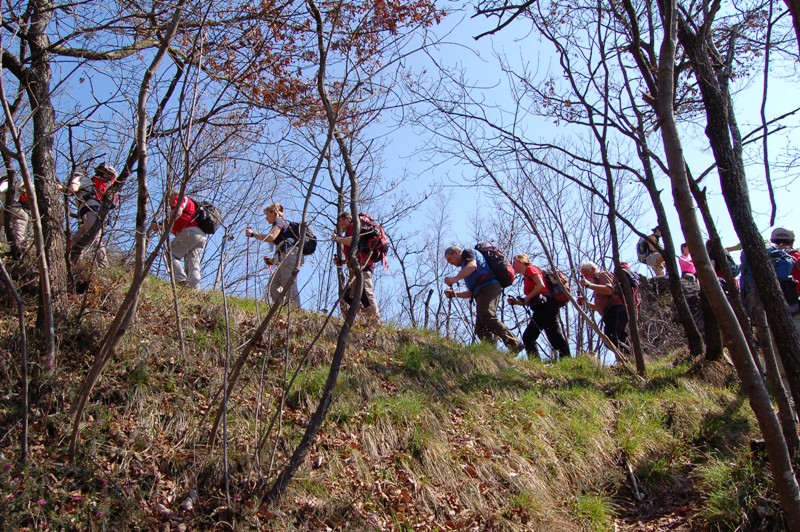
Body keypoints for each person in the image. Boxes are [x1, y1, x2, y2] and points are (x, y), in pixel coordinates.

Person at [443, 245, 524, 354]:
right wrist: (455, 294)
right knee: (480, 329)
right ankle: (492, 354)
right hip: (481, 291)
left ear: (457, 252)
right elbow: (472, 292)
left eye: (449, 259)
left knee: (487, 315)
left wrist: (453, 279)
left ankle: (515, 344)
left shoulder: (468, 253)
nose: (449, 262)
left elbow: (472, 266)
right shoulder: (464, 269)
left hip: (490, 286)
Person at [506, 254, 570, 360]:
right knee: (552, 335)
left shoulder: (531, 269)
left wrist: (526, 299)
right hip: (542, 306)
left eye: (514, 262)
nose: (513, 265)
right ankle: (566, 359)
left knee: (530, 337)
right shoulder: (526, 276)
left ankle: (537, 362)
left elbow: (541, 285)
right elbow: (532, 298)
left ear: (521, 261)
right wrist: (516, 302)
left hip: (546, 305)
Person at [57, 163, 118, 268]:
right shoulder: (92, 183)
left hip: (92, 211)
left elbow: (71, 190)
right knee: (76, 239)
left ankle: (104, 266)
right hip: (95, 212)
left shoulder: (81, 179)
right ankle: (75, 264)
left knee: (95, 237)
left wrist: (59, 187)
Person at [245, 202, 302, 307]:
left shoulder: (278, 221)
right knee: (274, 284)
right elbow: (282, 246)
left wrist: (253, 234)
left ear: (274, 213)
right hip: (286, 257)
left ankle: (295, 310)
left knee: (289, 284)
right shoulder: (282, 224)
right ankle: (280, 308)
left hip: (289, 255)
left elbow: (271, 237)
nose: (266, 218)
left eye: (267, 215)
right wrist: (272, 261)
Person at [331, 211, 381, 326]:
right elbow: (353, 251)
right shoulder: (349, 231)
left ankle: (376, 322)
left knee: (366, 292)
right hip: (355, 268)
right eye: (339, 221)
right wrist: (342, 261)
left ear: (350, 220)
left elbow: (354, 241)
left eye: (344, 219)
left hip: (363, 265)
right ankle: (368, 319)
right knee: (349, 295)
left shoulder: (354, 227)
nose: (341, 222)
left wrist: (338, 238)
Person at [151, 190, 208, 289]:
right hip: (200, 236)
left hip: (190, 232)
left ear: (172, 195)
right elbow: (173, 222)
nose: (168, 203)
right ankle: (193, 289)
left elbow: (177, 212)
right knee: (193, 263)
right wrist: (160, 226)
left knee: (170, 254)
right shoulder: (191, 206)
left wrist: (162, 224)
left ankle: (181, 281)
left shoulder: (180, 198)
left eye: (167, 199)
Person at [578, 261, 628, 350]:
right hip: (610, 312)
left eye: (586, 274)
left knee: (610, 339)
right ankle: (631, 358)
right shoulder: (597, 283)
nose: (585, 277)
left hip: (616, 310)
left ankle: (630, 354)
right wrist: (586, 303)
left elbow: (609, 290)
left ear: (593, 269)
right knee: (620, 339)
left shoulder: (602, 274)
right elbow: (599, 307)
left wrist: (588, 285)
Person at [1, 175, 30, 259]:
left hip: (4, 209)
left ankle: (16, 247)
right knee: (23, 218)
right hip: (15, 207)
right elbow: (30, 187)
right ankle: (20, 246)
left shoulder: (2, 187)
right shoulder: (16, 183)